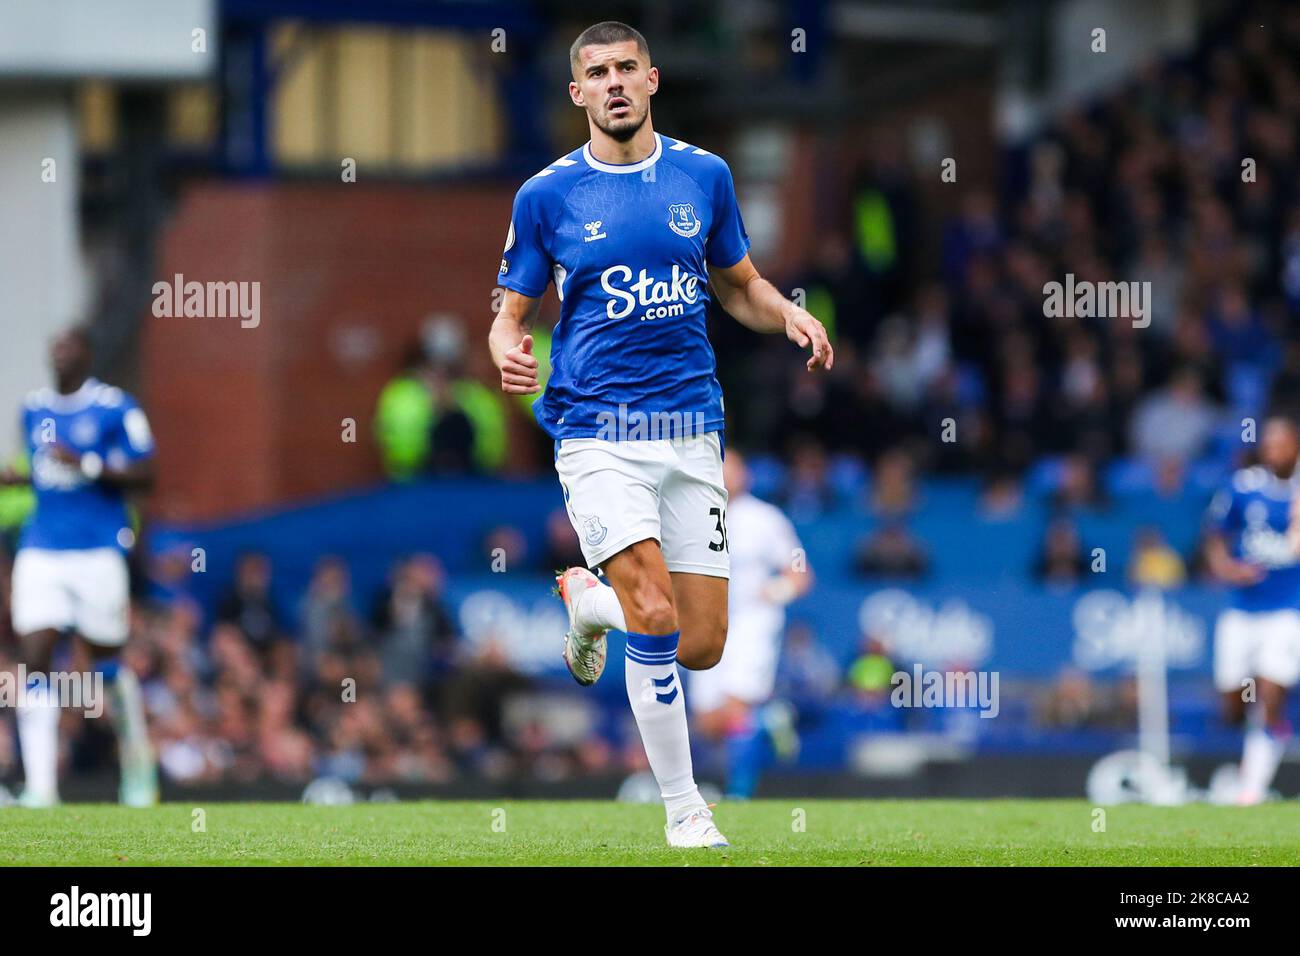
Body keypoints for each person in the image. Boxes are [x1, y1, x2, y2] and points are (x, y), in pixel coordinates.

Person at [487, 21, 832, 848]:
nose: (612, 82)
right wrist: (507, 352)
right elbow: (510, 317)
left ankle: (587, 604)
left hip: (691, 428)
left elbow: (738, 286)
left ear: (651, 80)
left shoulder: (703, 177)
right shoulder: (546, 195)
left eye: (625, 69)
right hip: (596, 429)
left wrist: (785, 312)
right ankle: (684, 809)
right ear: (578, 93)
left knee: (702, 645)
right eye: (596, 72)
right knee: (653, 605)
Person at [0, 327, 158, 807]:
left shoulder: (115, 408)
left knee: (105, 662)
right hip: (43, 546)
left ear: (88, 354)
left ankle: (138, 766)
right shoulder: (33, 408)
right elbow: (45, 471)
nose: (59, 354)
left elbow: (145, 475)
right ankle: (41, 788)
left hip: (97, 547)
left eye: (68, 347)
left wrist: (86, 464)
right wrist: (19, 476)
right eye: (54, 347)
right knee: (36, 653)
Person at [688, 451, 811, 798]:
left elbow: (800, 572)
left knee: (736, 707)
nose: (725, 476)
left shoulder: (765, 518)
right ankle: (772, 719)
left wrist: (773, 591)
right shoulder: (690, 515)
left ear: (746, 476)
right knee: (708, 721)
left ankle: (739, 796)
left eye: (733, 469)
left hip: (752, 622)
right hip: (708, 621)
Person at [1203, 415, 1300, 804]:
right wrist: (1224, 566)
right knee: (1233, 700)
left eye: (1283, 444)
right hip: (1242, 610)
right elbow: (1215, 532)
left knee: (1270, 691)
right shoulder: (1243, 487)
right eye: (1269, 444)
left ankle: (1252, 788)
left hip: (1287, 609)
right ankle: (1262, 742)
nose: (1274, 450)